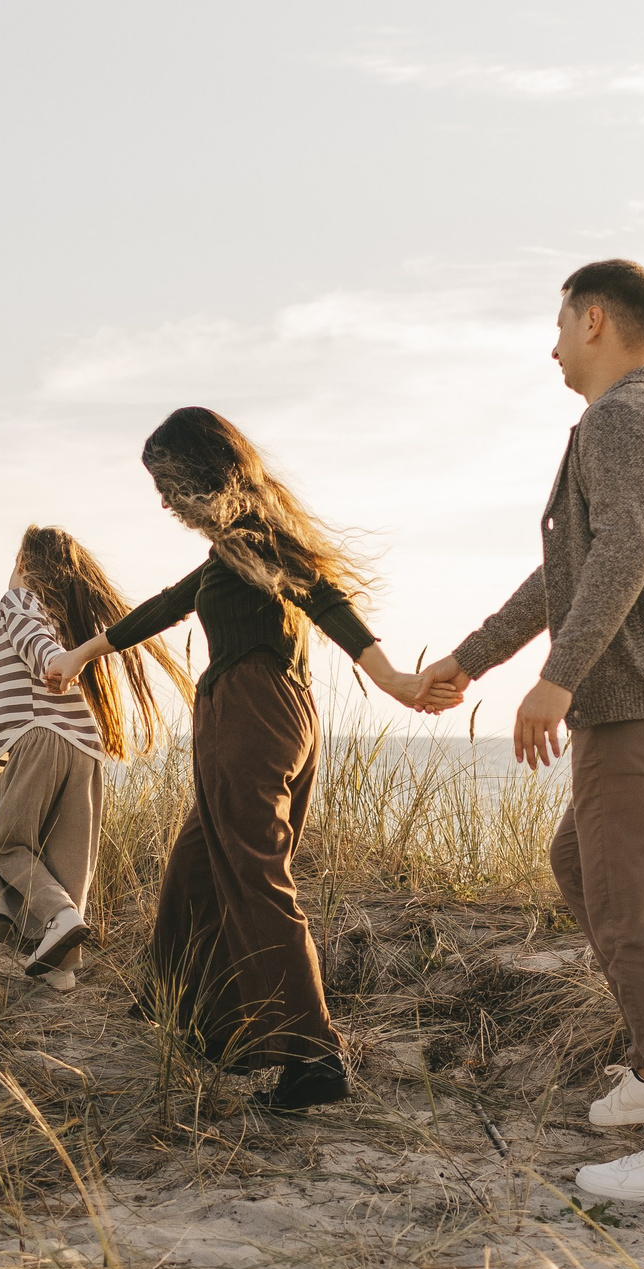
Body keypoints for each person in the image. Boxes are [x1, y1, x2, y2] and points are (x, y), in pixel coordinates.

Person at [419, 260, 644, 1208]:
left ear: (595, 319)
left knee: (637, 922)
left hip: (639, 697)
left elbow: (623, 553)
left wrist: (556, 682)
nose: (551, 343)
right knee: (584, 871)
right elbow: (568, 569)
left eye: (559, 323)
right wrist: (474, 659)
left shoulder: (621, 419)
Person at [44, 407, 440, 1114]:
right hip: (264, 714)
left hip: (251, 713)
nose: (163, 501)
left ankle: (313, 1058)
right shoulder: (233, 551)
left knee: (256, 879)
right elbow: (165, 607)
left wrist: (394, 681)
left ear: (200, 473)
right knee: (196, 868)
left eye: (167, 482)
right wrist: (82, 655)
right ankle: (202, 1025)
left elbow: (330, 603)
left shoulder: (258, 540)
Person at [0, 525, 187, 991]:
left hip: (40, 740)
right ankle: (61, 968)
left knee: (7, 842)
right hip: (84, 750)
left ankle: (55, 917)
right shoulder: (74, 624)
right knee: (68, 860)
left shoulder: (18, 602)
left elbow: (37, 646)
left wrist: (52, 659)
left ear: (26, 564)